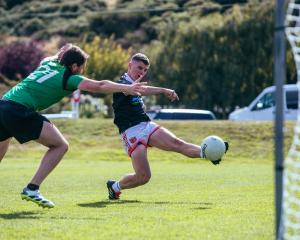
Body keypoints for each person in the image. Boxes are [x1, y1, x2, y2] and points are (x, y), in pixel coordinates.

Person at [0, 44, 147, 208]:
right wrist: (127, 87)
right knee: (60, 145)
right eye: (82, 67)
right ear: (74, 66)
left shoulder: (48, 63)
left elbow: (52, 56)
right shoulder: (69, 77)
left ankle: (32, 188)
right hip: (19, 109)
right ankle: (32, 188)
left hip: (4, 104)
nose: (82, 71)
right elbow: (100, 85)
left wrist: (65, 50)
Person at [107, 53, 228, 200]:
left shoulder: (136, 86)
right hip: (131, 131)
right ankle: (115, 187)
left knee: (178, 143)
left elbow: (141, 90)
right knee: (143, 176)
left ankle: (208, 153)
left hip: (146, 125)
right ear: (130, 65)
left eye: (145, 70)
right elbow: (139, 90)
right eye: (139, 68)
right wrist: (163, 90)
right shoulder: (121, 84)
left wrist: (163, 90)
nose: (142, 72)